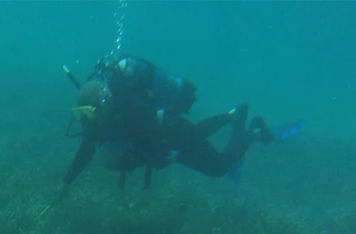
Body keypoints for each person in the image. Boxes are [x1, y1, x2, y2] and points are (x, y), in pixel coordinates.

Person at [57, 54, 302, 198]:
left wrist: (167, 157)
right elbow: (86, 151)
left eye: (89, 113)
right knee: (194, 134)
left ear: (104, 103)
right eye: (81, 114)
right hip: (172, 130)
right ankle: (232, 114)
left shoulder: (129, 108)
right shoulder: (99, 120)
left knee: (218, 167)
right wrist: (66, 183)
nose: (87, 120)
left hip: (171, 134)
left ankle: (254, 130)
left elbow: (154, 143)